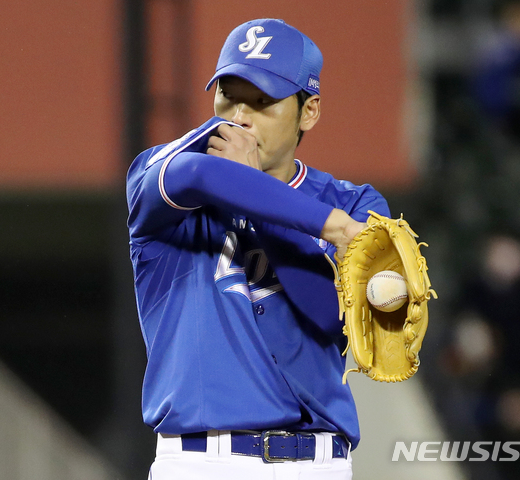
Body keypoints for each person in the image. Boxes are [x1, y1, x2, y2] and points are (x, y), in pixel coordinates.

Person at [126, 18, 390, 479]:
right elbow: (199, 176)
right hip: (202, 461)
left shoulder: (356, 205)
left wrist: (300, 218)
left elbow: (330, 315)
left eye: (263, 101)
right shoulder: (159, 171)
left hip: (317, 463)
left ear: (309, 112)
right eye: (229, 95)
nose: (239, 116)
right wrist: (332, 229)